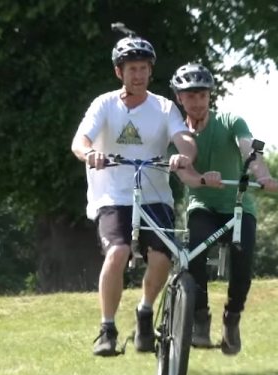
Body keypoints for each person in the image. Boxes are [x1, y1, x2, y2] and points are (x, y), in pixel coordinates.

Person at [71, 32, 204, 356]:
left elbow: (184, 138)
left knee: (161, 258)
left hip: (155, 195)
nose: (139, 74)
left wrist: (184, 154)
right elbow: (80, 141)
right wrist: (90, 154)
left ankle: (145, 311)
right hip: (113, 197)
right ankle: (107, 329)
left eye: (144, 68)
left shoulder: (163, 107)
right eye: (132, 69)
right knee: (117, 253)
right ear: (120, 72)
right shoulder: (104, 104)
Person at [169, 63, 278, 355]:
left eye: (202, 96)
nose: (197, 102)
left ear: (210, 96)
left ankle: (232, 319)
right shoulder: (178, 137)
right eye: (190, 96)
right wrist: (203, 179)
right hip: (203, 205)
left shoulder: (231, 120)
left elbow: (250, 149)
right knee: (194, 252)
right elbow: (186, 175)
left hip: (238, 206)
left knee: (242, 264)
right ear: (180, 98)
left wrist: (263, 175)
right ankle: (200, 318)